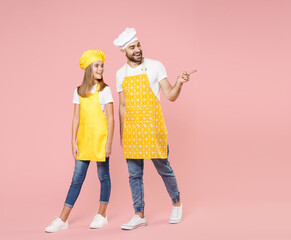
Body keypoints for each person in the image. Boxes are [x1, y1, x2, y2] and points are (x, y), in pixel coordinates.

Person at [113, 28, 197, 230]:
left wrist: (179, 82)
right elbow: (122, 106)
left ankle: (177, 203)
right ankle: (139, 214)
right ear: (124, 51)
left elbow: (170, 95)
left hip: (153, 128)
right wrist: (123, 136)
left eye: (138, 45)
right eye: (132, 47)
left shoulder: (155, 66)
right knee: (134, 175)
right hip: (132, 131)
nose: (137, 50)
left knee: (164, 169)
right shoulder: (119, 74)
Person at [45, 50, 115, 233]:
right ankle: (63, 219)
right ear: (88, 69)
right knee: (77, 179)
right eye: (97, 66)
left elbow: (111, 118)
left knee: (103, 176)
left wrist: (109, 143)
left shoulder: (105, 90)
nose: (101, 69)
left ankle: (102, 214)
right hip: (84, 140)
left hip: (100, 140)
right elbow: (76, 118)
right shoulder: (78, 92)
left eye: (102, 66)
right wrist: (72, 141)